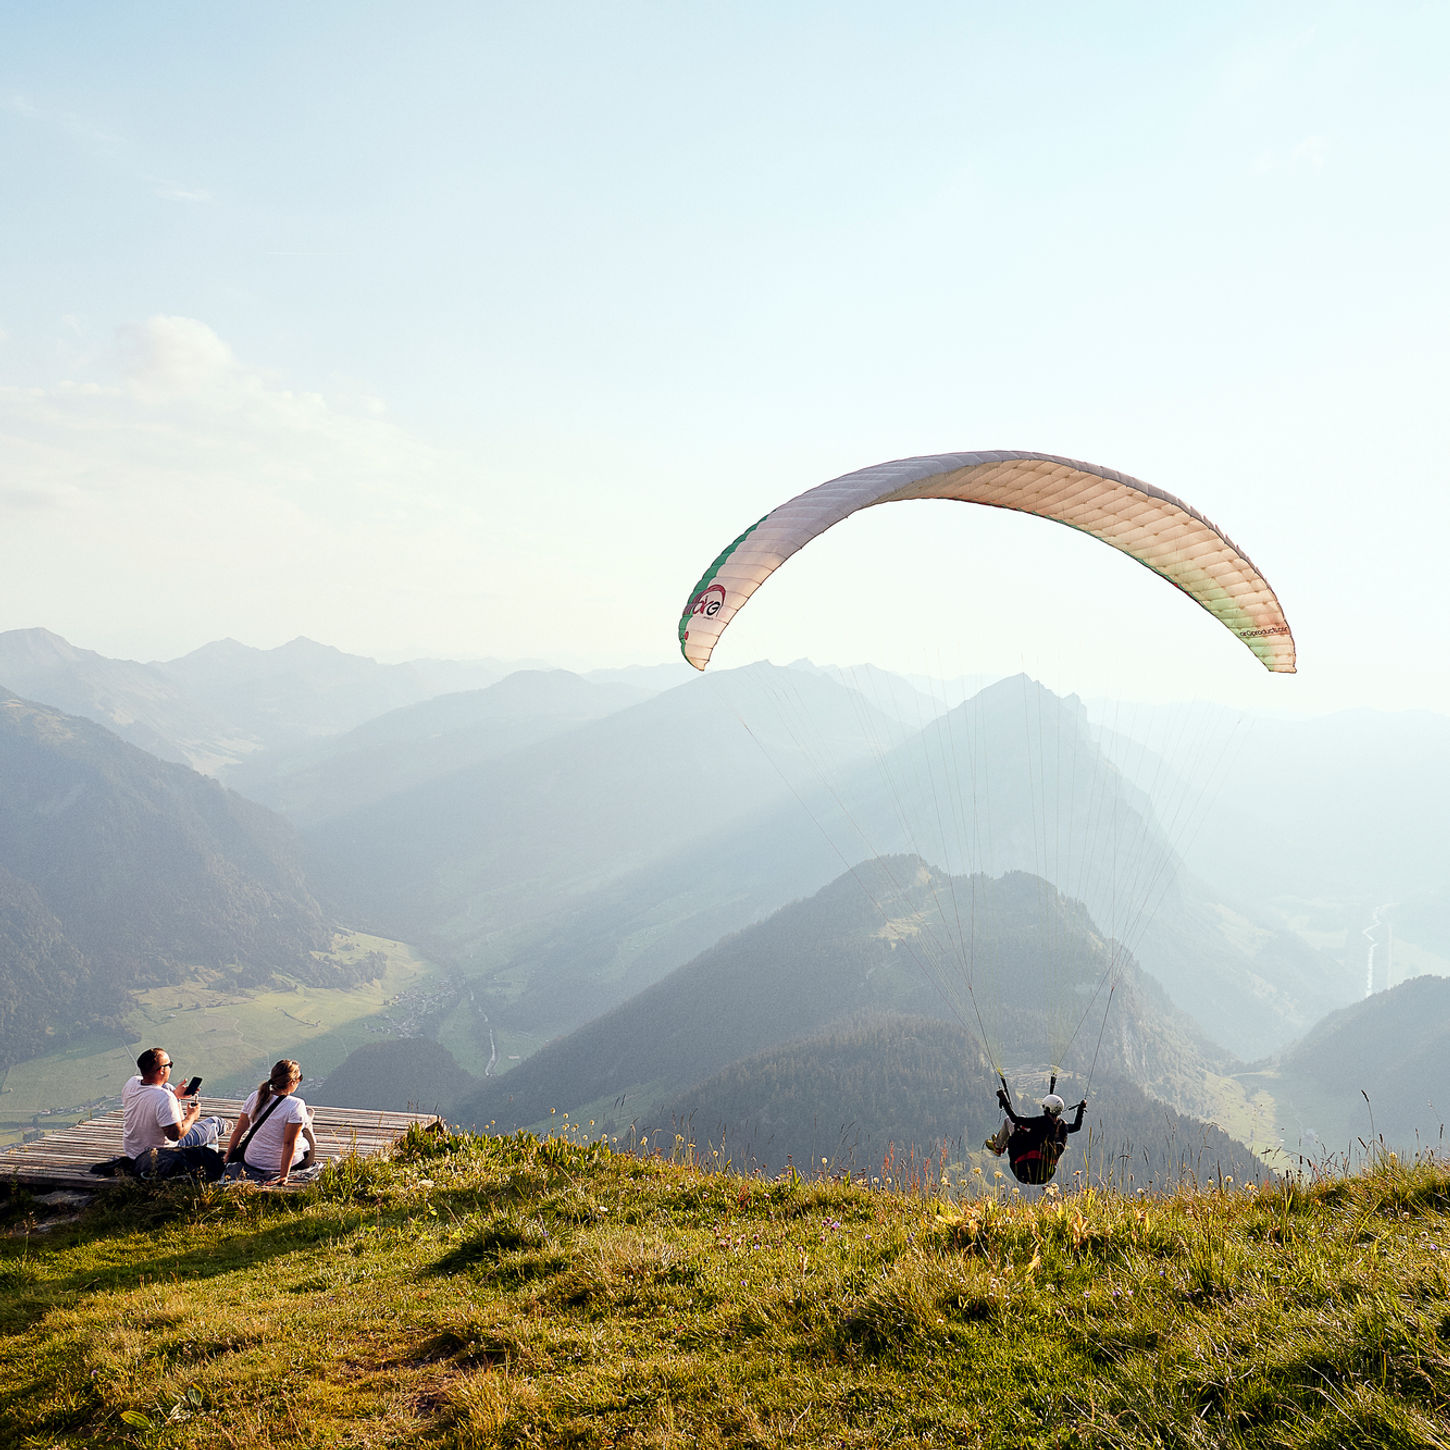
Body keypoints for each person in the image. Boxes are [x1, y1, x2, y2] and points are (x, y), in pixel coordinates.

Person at [121, 1047, 227, 1166]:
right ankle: (222, 1126)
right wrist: (192, 1116)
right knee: (216, 1122)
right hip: (160, 1153)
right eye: (169, 1064)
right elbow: (176, 1135)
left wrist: (175, 1096)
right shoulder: (164, 1097)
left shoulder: (132, 1082)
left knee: (168, 1088)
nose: (170, 1068)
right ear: (161, 1070)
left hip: (133, 1152)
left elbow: (153, 1099)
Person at [223, 1059, 316, 1184]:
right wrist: (283, 1176)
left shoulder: (255, 1096)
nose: (299, 1082)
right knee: (306, 1135)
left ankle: (303, 1120)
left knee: (295, 1124)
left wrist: (228, 1156)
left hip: (252, 1160)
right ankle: (305, 1121)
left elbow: (239, 1130)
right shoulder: (296, 1104)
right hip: (279, 1165)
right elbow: (289, 1143)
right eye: (300, 1078)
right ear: (291, 1082)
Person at [984, 1086, 1086, 1185]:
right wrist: (1081, 1109)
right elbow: (1077, 1127)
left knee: (1009, 1121)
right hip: (1045, 1176)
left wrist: (1003, 1099)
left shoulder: (1039, 1122)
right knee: (1020, 1128)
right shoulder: (1062, 1126)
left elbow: (1014, 1119)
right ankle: (1001, 1141)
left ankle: (998, 1147)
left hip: (1021, 1170)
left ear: (1046, 1108)